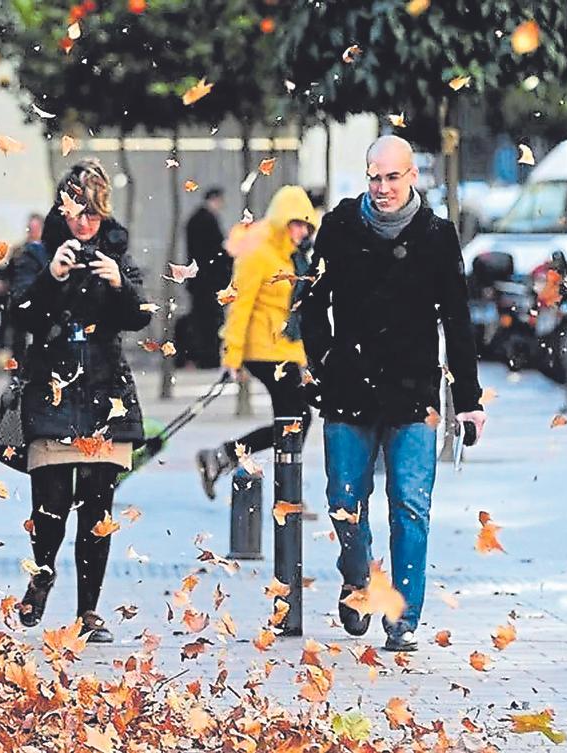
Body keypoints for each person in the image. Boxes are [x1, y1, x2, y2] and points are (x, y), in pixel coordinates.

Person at [301, 136, 487, 652]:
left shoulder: (436, 236)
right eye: (374, 177)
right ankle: (358, 580)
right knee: (344, 503)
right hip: (349, 389)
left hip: (413, 392)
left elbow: (457, 320)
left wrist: (468, 401)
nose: (382, 188)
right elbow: (312, 304)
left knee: (409, 505)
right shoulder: (338, 227)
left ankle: (401, 616)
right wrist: (325, 362)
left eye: (392, 177)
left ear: (412, 177)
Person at [8, 159, 152, 642]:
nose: (85, 224)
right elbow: (23, 315)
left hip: (106, 392)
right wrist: (52, 274)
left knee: (98, 508)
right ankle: (42, 575)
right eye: (76, 213)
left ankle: (89, 612)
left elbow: (140, 318)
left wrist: (119, 284)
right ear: (61, 209)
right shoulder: (35, 255)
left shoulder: (117, 252)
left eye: (93, 214)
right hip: (52, 389)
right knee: (49, 504)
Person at [194, 186, 318, 498]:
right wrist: (232, 356)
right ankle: (285, 495)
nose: (302, 231)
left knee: (295, 419)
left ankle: (224, 457)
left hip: (286, 350)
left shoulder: (293, 259)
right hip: (262, 350)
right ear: (280, 220)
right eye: (296, 223)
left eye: (306, 225)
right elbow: (240, 306)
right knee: (295, 419)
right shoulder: (257, 254)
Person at [182, 188, 229, 368]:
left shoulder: (196, 219)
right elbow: (215, 252)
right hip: (208, 280)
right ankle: (208, 358)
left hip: (199, 280)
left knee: (202, 320)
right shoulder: (207, 221)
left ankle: (202, 357)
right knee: (209, 321)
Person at [5, 213, 47, 363]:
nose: (33, 231)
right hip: (23, 297)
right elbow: (11, 274)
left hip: (42, 299)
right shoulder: (20, 251)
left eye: (37, 228)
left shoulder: (49, 249)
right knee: (19, 338)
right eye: (31, 228)